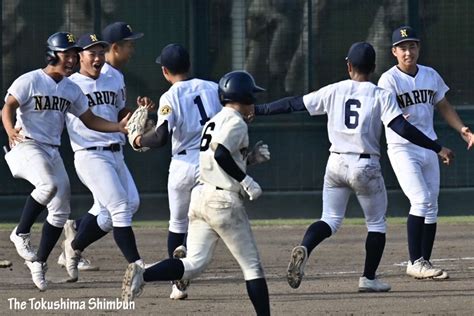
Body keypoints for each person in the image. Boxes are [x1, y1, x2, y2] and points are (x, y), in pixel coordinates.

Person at [254, 42, 454, 292]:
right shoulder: (380, 94)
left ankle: (306, 246)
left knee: (329, 219)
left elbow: (294, 104)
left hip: (336, 162)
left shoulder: (334, 90)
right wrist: (437, 148)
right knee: (376, 224)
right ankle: (368, 279)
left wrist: (258, 109)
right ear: (373, 68)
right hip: (365, 165)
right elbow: (402, 128)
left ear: (349, 66)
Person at [122, 70, 271, 315]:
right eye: (251, 96)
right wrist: (246, 179)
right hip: (223, 202)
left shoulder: (214, 121)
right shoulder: (235, 122)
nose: (253, 101)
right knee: (252, 268)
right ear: (242, 96)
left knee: (192, 264)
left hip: (201, 199)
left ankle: (144, 273)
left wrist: (249, 158)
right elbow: (221, 154)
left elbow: (215, 158)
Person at [2, 32, 130, 291]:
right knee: (47, 186)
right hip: (26, 144)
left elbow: (90, 120)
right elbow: (7, 106)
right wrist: (9, 130)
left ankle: (39, 262)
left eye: (74, 54)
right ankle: (21, 232)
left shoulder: (71, 88)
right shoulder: (30, 80)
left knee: (60, 210)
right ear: (51, 55)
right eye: (66, 54)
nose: (71, 59)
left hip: (51, 150)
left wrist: (118, 126)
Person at [378, 26, 474, 279]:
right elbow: (393, 121)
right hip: (402, 148)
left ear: (418, 48)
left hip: (429, 146)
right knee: (420, 200)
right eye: (403, 48)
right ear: (394, 52)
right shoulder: (389, 80)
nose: (408, 52)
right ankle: (415, 261)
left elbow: (443, 105)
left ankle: (424, 262)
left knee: (431, 206)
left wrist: (463, 129)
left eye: (412, 46)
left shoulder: (430, 75)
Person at [130, 43, 222, 299]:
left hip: (182, 165)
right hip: (210, 164)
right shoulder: (212, 88)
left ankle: (176, 283)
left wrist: (138, 140)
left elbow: (160, 138)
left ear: (165, 71)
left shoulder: (170, 96)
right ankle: (188, 263)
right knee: (200, 221)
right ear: (189, 66)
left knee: (177, 223)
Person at [57, 21, 151, 272]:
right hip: (90, 155)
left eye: (101, 52)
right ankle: (137, 265)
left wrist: (138, 115)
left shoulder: (115, 76)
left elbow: (120, 111)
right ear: (80, 57)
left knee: (128, 205)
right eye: (92, 53)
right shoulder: (69, 85)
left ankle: (74, 243)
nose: (98, 57)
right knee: (120, 207)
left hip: (116, 151)